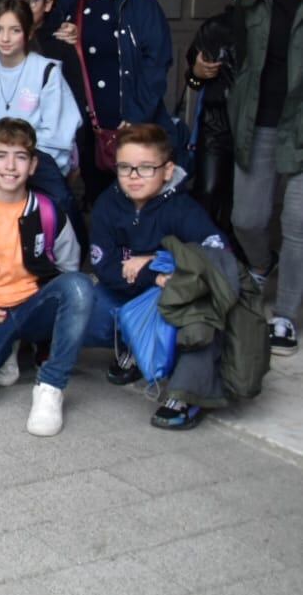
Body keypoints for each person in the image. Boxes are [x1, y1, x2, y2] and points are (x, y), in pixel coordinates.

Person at [83, 124, 243, 429]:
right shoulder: (108, 203)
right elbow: (105, 267)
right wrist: (152, 276)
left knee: (199, 312)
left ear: (168, 170)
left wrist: (159, 261)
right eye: (125, 167)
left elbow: (218, 253)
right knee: (85, 303)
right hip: (133, 291)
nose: (133, 176)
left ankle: (188, 393)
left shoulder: (182, 208)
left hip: (174, 296)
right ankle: (132, 347)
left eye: (146, 168)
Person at [0, 119, 90, 436]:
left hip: (34, 305)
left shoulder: (50, 211)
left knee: (79, 288)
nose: (10, 166)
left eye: (20, 157)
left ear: (33, 164)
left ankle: (51, 386)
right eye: (1, 155)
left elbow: (68, 269)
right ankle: (8, 347)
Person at [47, 0, 174, 203]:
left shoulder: (137, 0)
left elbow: (158, 59)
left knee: (138, 201)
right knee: (95, 201)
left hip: (130, 120)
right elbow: (43, 50)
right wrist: (62, 37)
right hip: (85, 126)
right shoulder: (64, 1)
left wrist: (137, 115)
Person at [231, 0, 303, 354]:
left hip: (302, 123)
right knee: (248, 218)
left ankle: (287, 315)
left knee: (298, 225)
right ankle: (262, 262)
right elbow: (233, 41)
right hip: (258, 117)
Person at [0, 0, 81, 219]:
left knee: (62, 213)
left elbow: (57, 132)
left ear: (28, 33)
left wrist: (21, 166)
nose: (5, 38)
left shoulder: (47, 72)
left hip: (38, 163)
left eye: (15, 30)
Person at [181, 0, 259, 244]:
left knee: (248, 203)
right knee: (210, 190)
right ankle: (208, 254)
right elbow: (191, 82)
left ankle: (243, 257)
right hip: (217, 125)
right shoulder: (214, 28)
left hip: (258, 127)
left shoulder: (279, 28)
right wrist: (197, 73)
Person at [4, 0, 86, 114]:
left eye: (30, 1)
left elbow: (74, 108)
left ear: (48, 4)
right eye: (14, 1)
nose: (22, 8)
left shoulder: (61, 45)